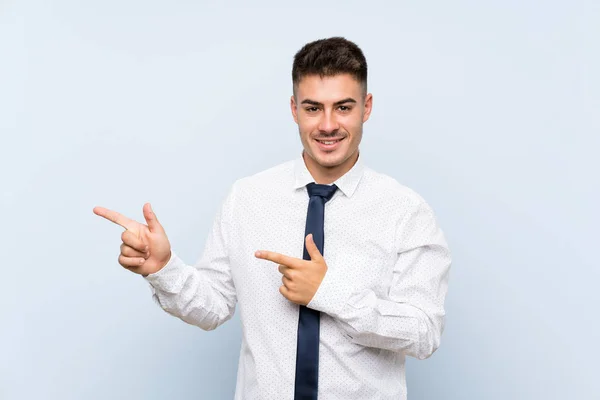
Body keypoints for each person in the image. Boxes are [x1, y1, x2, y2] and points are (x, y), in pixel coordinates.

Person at [94, 37, 451, 400]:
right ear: (295, 109)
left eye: (343, 107)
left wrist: (328, 293)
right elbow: (213, 307)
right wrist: (163, 267)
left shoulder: (406, 212)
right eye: (313, 108)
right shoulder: (247, 198)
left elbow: (423, 333)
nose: (328, 125)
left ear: (366, 107)